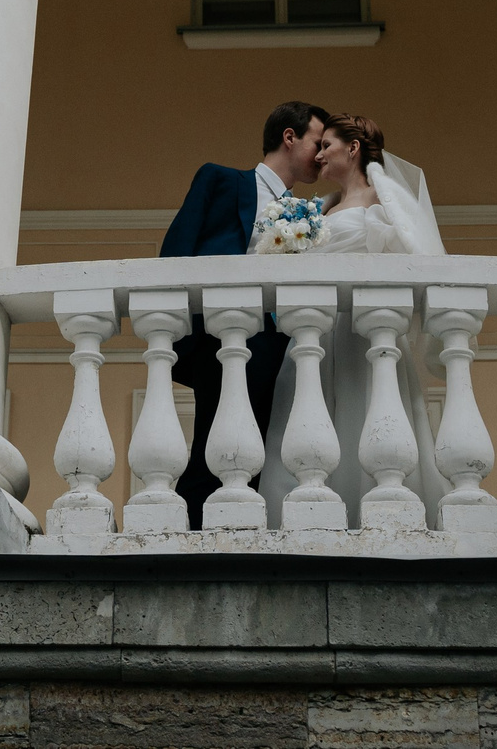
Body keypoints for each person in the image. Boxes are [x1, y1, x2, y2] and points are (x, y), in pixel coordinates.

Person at [255, 112, 451, 528]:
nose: (320, 154)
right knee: (304, 418)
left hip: (363, 331)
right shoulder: (320, 209)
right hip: (315, 333)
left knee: (364, 414)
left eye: (327, 145)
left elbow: (418, 257)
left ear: (354, 148)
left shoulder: (385, 200)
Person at [158, 99, 327, 526]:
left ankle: (242, 531)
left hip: (281, 348)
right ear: (289, 138)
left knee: (263, 454)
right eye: (316, 142)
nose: (322, 153)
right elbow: (176, 252)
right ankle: (188, 538)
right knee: (212, 449)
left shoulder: (308, 214)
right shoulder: (220, 180)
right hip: (223, 339)